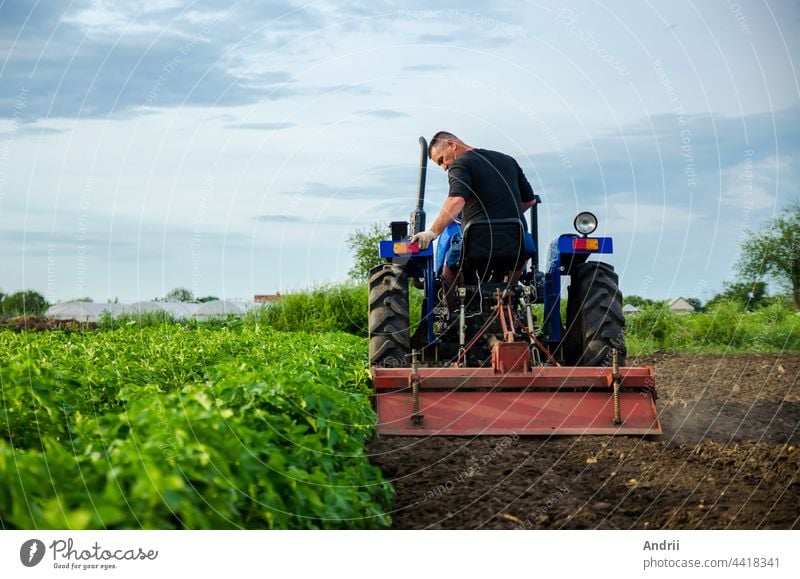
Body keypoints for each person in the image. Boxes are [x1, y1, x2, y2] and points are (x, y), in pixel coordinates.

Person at [411, 131, 537, 296]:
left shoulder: (460, 164)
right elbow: (529, 201)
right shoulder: (508, 160)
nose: (444, 167)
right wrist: (504, 213)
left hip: (477, 243)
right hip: (516, 240)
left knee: (449, 267)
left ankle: (451, 317)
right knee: (524, 250)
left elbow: (456, 200)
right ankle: (506, 297)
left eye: (441, 159)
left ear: (451, 144)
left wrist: (432, 232)